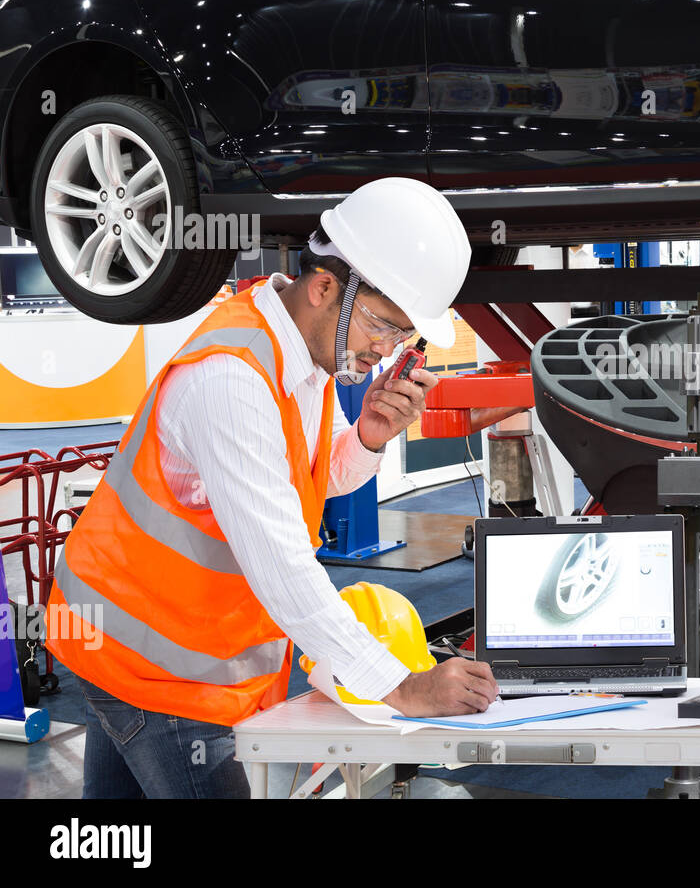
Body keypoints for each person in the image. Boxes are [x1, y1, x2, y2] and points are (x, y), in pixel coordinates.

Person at [44, 178, 500, 798]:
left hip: (136, 647)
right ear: (324, 289)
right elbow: (282, 564)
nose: (387, 351)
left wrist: (368, 435)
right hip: (158, 666)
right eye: (383, 327)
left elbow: (317, 477)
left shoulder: (301, 354)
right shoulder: (232, 380)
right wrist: (402, 684)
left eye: (402, 338)